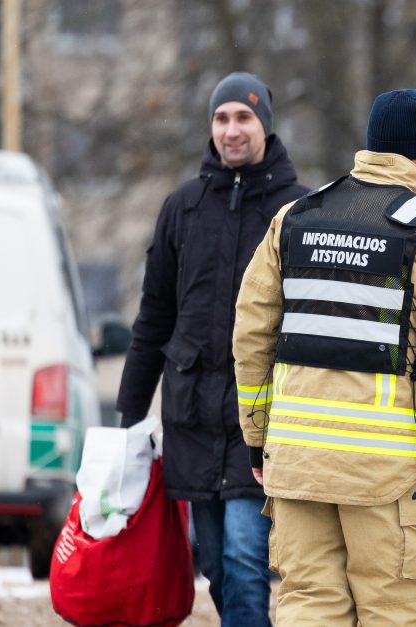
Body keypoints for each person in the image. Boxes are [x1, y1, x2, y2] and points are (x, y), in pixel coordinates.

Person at [232, 88, 416, 626]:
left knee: (310, 604)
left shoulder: (296, 218)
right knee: (394, 608)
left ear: (371, 145)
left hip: (299, 458)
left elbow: (251, 336)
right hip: (385, 471)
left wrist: (258, 439)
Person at [116, 71, 310, 626]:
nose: (231, 130)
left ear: (265, 127)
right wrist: (129, 413)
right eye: (222, 118)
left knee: (246, 557)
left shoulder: (299, 211)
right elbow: (153, 318)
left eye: (244, 117)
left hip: (261, 422)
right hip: (191, 417)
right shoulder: (182, 208)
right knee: (216, 567)